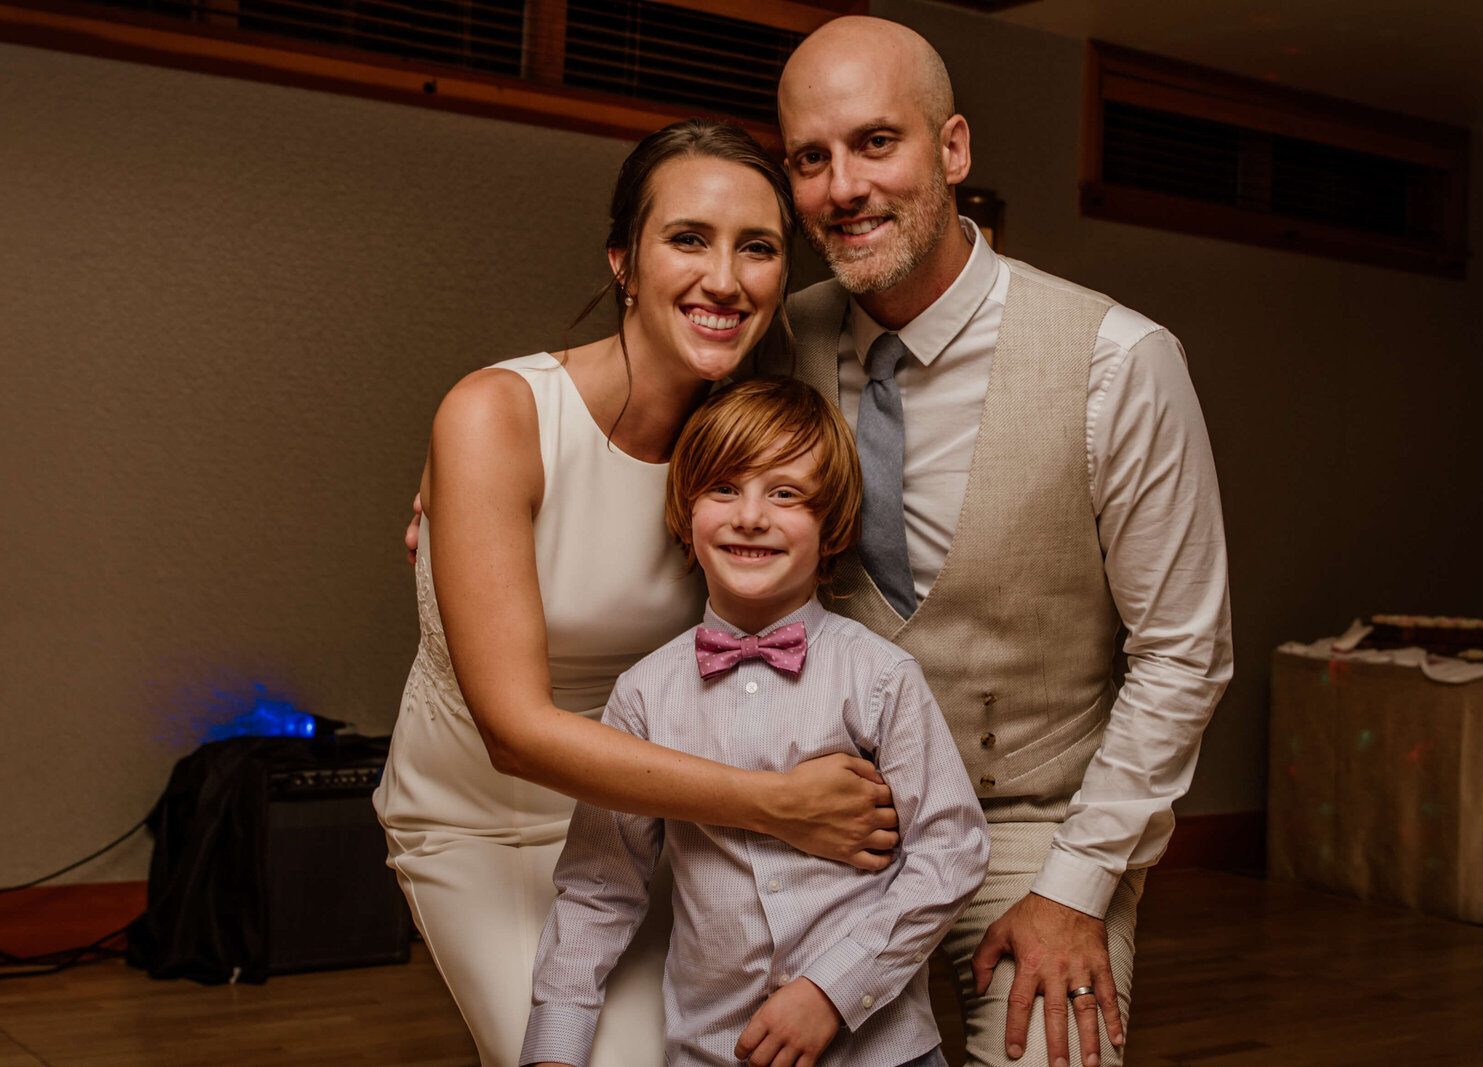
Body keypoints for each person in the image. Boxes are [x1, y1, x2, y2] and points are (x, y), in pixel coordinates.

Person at [373, 119, 901, 1067]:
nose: (726, 279)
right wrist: (777, 803)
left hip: (662, 826)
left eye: (759, 249)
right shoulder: (497, 416)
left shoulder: (748, 447)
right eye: (688, 239)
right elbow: (514, 730)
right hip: (489, 821)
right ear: (623, 259)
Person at [761, 17, 1234, 1067]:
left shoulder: (1120, 361)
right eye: (810, 158)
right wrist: (493, 429)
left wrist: (1076, 887)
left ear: (953, 149)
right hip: (832, 810)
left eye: (876, 142)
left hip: (1038, 818)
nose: (843, 186)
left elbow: (1182, 651)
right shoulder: (776, 338)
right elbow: (636, 390)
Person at [521, 376, 990, 1067]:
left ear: (833, 527)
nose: (750, 516)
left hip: (881, 1048)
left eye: (786, 493)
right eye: (723, 488)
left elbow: (951, 852)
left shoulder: (883, 678)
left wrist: (833, 990)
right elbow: (600, 885)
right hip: (716, 1049)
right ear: (684, 513)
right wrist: (554, 1047)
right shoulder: (643, 696)